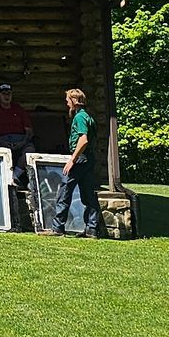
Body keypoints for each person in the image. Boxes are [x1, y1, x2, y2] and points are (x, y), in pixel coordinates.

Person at [55, 85, 103, 236]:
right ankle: (91, 229)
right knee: (88, 193)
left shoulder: (80, 117)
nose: (66, 103)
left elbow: (83, 140)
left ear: (74, 100)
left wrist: (72, 160)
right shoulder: (87, 116)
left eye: (68, 100)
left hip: (81, 159)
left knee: (64, 191)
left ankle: (57, 227)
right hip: (89, 159)